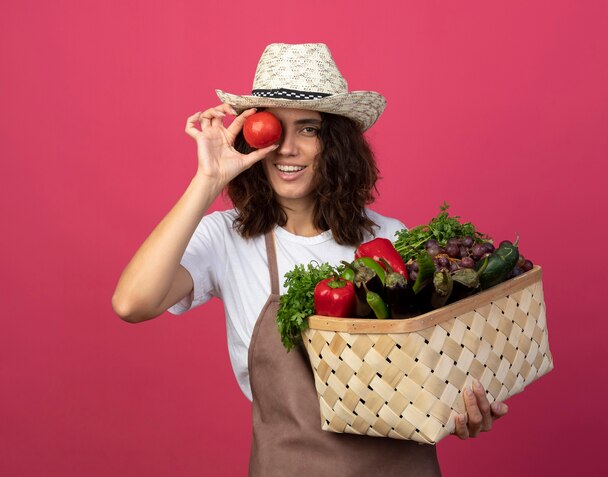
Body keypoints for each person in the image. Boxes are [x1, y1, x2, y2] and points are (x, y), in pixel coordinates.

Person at [112, 43, 508, 476]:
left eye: (308, 129)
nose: (286, 149)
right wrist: (207, 181)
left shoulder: (391, 239)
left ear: (335, 143)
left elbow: (431, 369)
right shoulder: (227, 237)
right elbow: (132, 303)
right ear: (250, 135)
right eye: (271, 128)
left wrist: (462, 407)